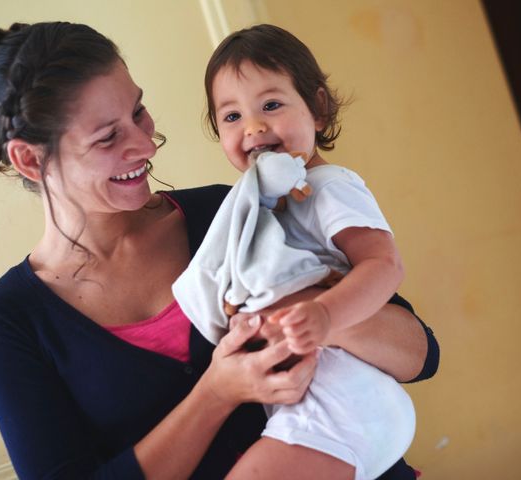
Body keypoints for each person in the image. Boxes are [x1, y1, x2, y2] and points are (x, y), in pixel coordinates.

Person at [0, 21, 438, 479]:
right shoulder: (9, 319)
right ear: (30, 160)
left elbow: (420, 354)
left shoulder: (230, 212)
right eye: (108, 136)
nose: (145, 144)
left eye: (137, 111)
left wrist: (309, 312)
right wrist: (217, 392)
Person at [173, 24, 424, 480]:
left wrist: (326, 315)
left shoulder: (331, 187)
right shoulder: (258, 206)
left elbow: (385, 265)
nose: (253, 127)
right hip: (311, 407)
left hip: (343, 407)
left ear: (319, 109)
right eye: (231, 117)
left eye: (271, 105)